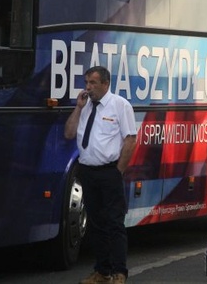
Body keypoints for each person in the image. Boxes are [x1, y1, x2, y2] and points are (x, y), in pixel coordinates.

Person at [65, 66, 137, 284]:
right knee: (96, 225)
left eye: (93, 83)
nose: (88, 87)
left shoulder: (120, 105)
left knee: (114, 224)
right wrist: (78, 108)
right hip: (87, 171)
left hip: (109, 172)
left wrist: (118, 172)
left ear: (106, 84)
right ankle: (102, 271)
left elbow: (130, 140)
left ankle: (119, 273)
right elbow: (69, 133)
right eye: (87, 82)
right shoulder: (85, 106)